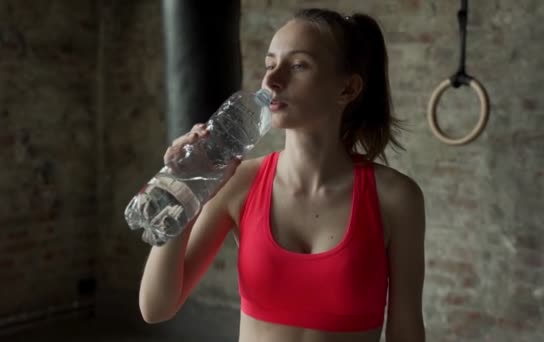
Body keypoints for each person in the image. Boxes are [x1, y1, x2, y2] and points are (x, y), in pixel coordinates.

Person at [139, 7, 426, 342]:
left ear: (347, 89)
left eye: (299, 65)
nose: (272, 81)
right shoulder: (238, 183)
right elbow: (156, 308)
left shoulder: (396, 198)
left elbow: (406, 330)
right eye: (270, 64)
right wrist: (184, 189)